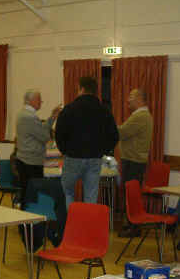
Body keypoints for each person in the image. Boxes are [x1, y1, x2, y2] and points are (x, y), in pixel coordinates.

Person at [55, 76, 118, 207]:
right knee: (91, 195)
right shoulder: (104, 111)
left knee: (67, 192)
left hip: (73, 156)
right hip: (94, 158)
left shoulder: (69, 109)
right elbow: (114, 136)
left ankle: (70, 218)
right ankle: (88, 220)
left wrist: (65, 150)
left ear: (82, 89)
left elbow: (59, 134)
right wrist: (103, 151)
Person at [117, 88, 153, 238]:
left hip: (133, 161)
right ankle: (131, 224)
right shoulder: (142, 115)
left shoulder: (140, 116)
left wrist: (108, 126)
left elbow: (122, 132)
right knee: (131, 194)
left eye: (131, 96)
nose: (128, 100)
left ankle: (134, 226)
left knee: (131, 195)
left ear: (139, 99)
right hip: (135, 161)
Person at [15, 90, 61, 206]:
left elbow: (41, 129)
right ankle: (29, 217)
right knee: (31, 196)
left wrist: (52, 117)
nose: (41, 102)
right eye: (39, 99)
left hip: (27, 161)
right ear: (32, 100)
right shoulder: (29, 117)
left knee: (27, 193)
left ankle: (26, 216)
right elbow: (45, 136)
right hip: (31, 162)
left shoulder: (25, 114)